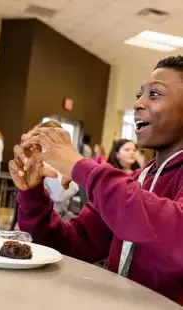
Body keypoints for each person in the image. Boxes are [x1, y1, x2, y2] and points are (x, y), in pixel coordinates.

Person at [10, 55, 183, 305]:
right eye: (139, 94)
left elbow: (174, 233)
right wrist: (33, 195)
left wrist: (79, 166)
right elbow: (68, 245)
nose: (138, 103)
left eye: (155, 94)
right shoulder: (138, 179)